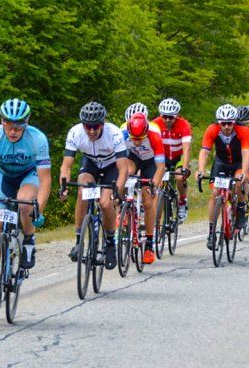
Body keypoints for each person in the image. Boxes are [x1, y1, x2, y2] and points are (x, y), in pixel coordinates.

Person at [0, 98, 51, 311]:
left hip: (27, 177)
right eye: (8, 124)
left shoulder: (37, 139)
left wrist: (38, 207)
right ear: (1, 121)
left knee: (24, 204)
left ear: (27, 123)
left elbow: (45, 179)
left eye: (18, 126)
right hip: (2, 178)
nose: (12, 131)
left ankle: (29, 239)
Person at [59, 101, 128, 270]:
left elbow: (124, 168)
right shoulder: (75, 133)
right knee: (83, 192)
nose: (91, 130)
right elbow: (66, 165)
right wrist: (64, 185)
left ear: (102, 124)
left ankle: (110, 242)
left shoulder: (114, 134)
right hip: (90, 162)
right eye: (87, 126)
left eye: (95, 126)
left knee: (105, 203)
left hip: (111, 165)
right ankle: (78, 241)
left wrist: (117, 192)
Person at [197, 104, 249, 249]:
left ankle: (241, 207)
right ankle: (211, 232)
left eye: (230, 123)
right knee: (215, 193)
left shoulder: (243, 131)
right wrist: (201, 171)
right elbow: (204, 152)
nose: (227, 127)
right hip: (221, 163)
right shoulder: (212, 129)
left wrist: (245, 173)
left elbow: (247, 154)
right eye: (223, 123)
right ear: (218, 122)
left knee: (240, 181)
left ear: (235, 122)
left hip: (238, 163)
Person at [122, 112, 166, 264]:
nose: (136, 142)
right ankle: (122, 209)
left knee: (148, 202)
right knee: (124, 174)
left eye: (140, 139)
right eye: (133, 138)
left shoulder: (154, 136)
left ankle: (149, 244)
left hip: (150, 163)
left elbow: (161, 166)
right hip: (132, 159)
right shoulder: (122, 135)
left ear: (146, 132)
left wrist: (154, 182)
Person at [152, 98, 193, 222]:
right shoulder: (155, 124)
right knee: (157, 182)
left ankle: (182, 202)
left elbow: (186, 148)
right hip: (162, 158)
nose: (168, 120)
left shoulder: (184, 125)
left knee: (179, 177)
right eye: (165, 117)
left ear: (177, 116)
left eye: (171, 117)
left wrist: (185, 167)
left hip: (178, 157)